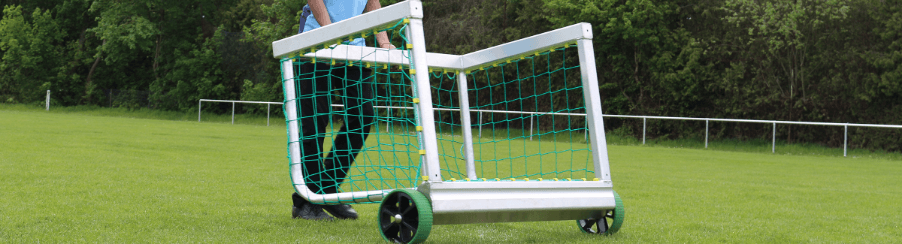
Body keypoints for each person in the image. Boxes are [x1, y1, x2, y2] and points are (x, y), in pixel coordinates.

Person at [290, 0, 395, 221]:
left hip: (354, 50)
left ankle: (326, 189)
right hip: (316, 43)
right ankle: (306, 202)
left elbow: (372, 2)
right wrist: (331, 33)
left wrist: (384, 42)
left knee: (362, 117)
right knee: (314, 122)